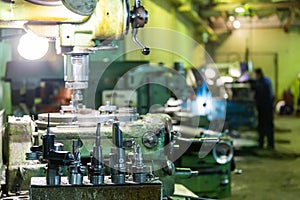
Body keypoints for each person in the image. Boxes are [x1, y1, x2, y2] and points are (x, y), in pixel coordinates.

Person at [253, 68, 275, 149]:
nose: (254, 77)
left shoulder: (263, 83)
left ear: (258, 74)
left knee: (265, 125)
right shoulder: (266, 80)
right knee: (265, 125)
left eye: (255, 75)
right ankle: (267, 143)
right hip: (266, 106)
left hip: (265, 107)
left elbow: (260, 92)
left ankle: (266, 143)